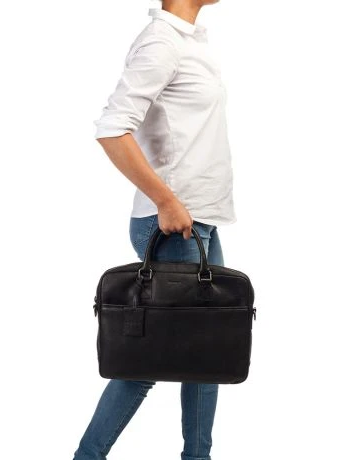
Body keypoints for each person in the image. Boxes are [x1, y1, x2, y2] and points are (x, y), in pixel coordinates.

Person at [73, 1, 237, 459]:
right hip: (173, 225)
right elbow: (112, 129)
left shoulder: (190, 40)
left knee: (207, 354)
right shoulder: (163, 42)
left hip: (200, 220)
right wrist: (165, 200)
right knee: (145, 361)